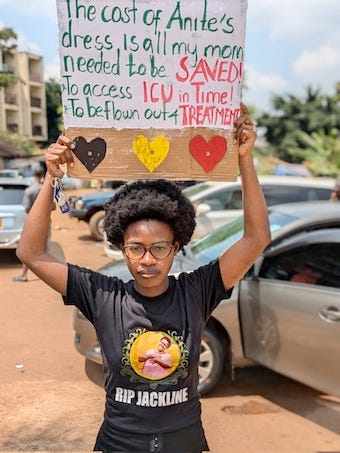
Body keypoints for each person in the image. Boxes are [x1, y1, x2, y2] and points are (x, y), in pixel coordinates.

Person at [16, 103, 270, 453]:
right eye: (136, 248)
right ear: (121, 247)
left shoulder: (197, 290)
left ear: (177, 246)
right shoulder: (102, 295)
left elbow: (255, 239)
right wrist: (52, 177)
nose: (147, 259)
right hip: (119, 443)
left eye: (160, 247)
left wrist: (245, 160)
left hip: (186, 442)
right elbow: (31, 253)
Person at [12, 167, 45, 282]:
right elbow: (53, 207)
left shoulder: (29, 191)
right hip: (46, 223)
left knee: (27, 249)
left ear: (33, 175)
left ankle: (24, 275)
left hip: (32, 223)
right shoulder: (46, 190)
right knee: (44, 249)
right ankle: (46, 275)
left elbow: (27, 209)